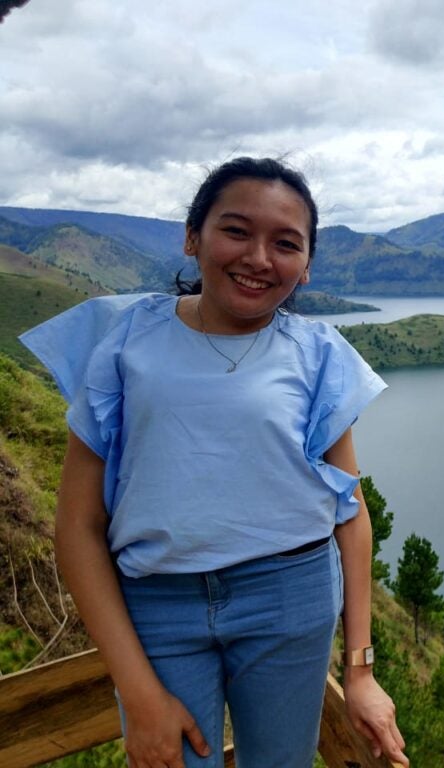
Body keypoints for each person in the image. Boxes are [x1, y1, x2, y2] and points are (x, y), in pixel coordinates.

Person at [20, 157, 408, 768]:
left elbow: (350, 516)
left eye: (285, 243)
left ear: (305, 267)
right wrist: (138, 691)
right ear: (192, 237)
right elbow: (77, 528)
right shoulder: (123, 340)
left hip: (290, 594)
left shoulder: (319, 354)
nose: (259, 257)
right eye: (236, 231)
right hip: (156, 603)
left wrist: (360, 672)